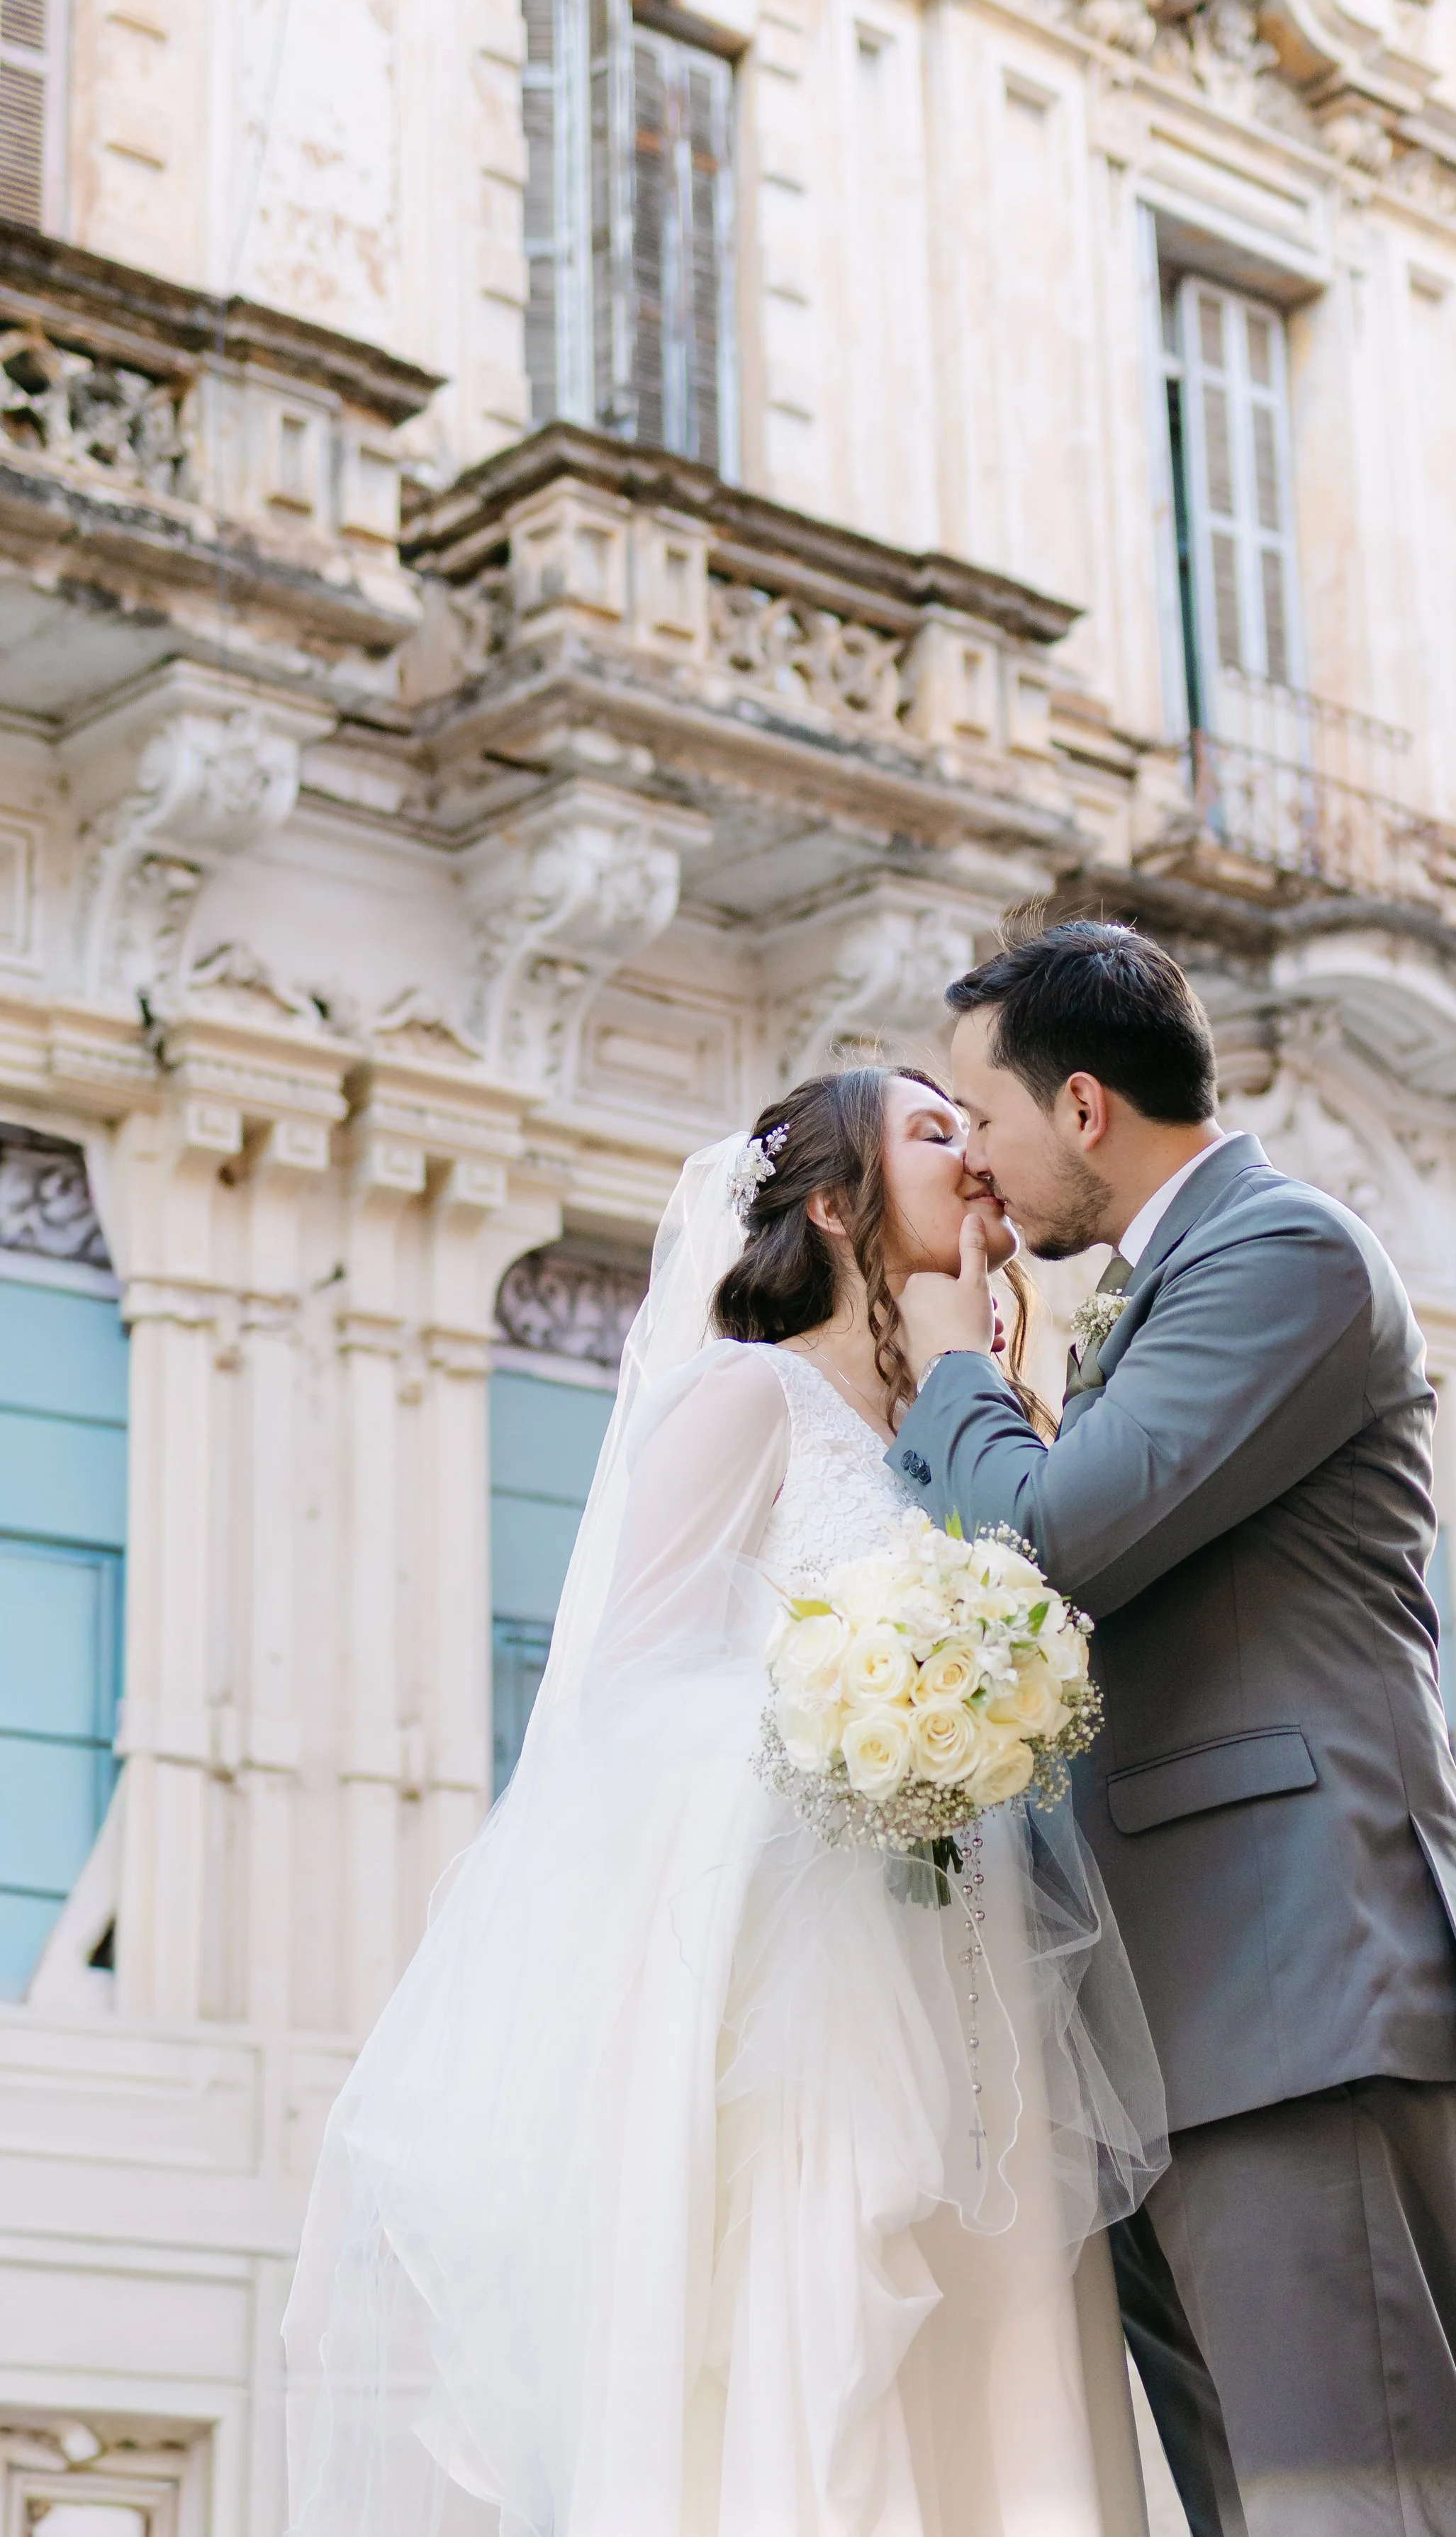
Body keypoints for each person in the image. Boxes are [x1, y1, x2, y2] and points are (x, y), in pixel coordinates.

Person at [284, 1064, 1170, 2537]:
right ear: (828, 1204)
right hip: (818, 1988)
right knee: (827, 2331)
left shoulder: (966, 1429)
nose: (973, 1155)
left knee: (1002, 2351)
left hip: (983, 1967)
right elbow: (627, 1691)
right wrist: (852, 1715)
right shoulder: (744, 1397)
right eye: (932, 1132)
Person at [887, 922, 1456, 2537]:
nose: (976, 1162)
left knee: (1359, 2505)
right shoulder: (1157, 1289)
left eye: (984, 1116)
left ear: (1082, 1106)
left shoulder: (1282, 1252)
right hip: (1174, 2017)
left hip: (1299, 1990)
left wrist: (952, 1368)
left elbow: (1050, 1544)